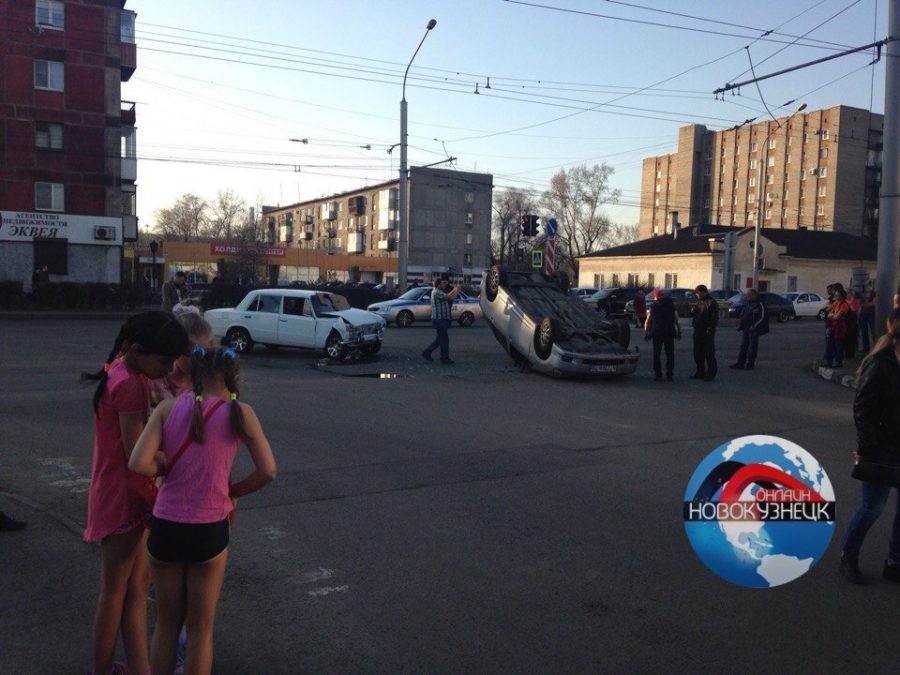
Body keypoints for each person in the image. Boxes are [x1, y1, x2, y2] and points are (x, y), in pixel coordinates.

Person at [129, 347, 276, 674]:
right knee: (199, 629)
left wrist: (165, 464)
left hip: (166, 526)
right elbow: (268, 471)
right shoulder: (241, 413)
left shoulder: (167, 408)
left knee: (166, 625)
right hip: (209, 527)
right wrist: (233, 491)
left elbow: (138, 462)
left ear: (195, 376)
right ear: (232, 376)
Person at [81, 312, 189, 675]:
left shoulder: (121, 369)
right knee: (115, 592)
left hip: (121, 493)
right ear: (140, 351)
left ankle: (139, 667)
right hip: (125, 496)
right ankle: (103, 668)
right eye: (163, 360)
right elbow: (135, 456)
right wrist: (182, 462)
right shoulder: (133, 385)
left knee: (135, 589)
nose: (168, 368)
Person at [839, 309, 900, 585]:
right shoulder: (879, 363)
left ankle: (894, 562)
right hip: (882, 449)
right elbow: (862, 409)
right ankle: (848, 557)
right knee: (872, 507)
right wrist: (868, 446)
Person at [644, 289, 680, 381]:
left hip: (657, 332)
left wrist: (646, 332)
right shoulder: (671, 305)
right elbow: (676, 319)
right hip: (669, 332)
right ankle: (669, 374)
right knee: (670, 354)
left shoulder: (653, 306)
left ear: (655, 297)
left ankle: (658, 374)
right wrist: (679, 331)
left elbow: (648, 321)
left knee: (657, 354)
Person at [422, 277, 460, 365]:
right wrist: (455, 289)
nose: (444, 285)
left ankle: (427, 352)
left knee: (440, 339)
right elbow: (449, 296)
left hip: (441, 319)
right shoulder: (436, 292)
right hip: (439, 319)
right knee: (444, 340)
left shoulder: (438, 292)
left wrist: (457, 290)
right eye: (443, 283)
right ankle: (444, 358)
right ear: (438, 285)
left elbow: (450, 298)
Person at [730, 289, 768, 370]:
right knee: (743, 346)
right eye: (747, 295)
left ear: (754, 295)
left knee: (752, 347)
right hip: (746, 328)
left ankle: (750, 364)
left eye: (749, 295)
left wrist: (754, 326)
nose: (747, 296)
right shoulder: (747, 303)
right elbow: (743, 315)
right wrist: (740, 325)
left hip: (754, 329)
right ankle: (740, 363)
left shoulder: (760, 304)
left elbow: (762, 317)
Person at [690, 284, 719, 381]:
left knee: (709, 354)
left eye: (697, 293)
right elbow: (695, 313)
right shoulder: (699, 302)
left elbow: (714, 318)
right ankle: (700, 372)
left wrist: (710, 330)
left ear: (702, 292)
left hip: (707, 332)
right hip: (697, 331)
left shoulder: (711, 302)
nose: (696, 295)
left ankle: (711, 374)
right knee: (697, 353)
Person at [823, 285, 849, 368]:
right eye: (835, 295)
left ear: (842, 296)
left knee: (839, 345)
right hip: (833, 327)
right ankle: (829, 361)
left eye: (837, 295)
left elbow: (836, 316)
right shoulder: (836, 303)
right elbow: (829, 314)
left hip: (840, 328)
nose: (835, 297)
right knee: (830, 345)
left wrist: (833, 314)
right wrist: (833, 314)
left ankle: (838, 362)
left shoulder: (844, 304)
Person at [859, 280, 877, 353]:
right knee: (864, 332)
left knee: (873, 331)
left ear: (870, 286)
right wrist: (866, 304)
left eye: (866, 286)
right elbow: (861, 304)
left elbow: (873, 304)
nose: (865, 288)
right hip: (863, 314)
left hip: (871, 314)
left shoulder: (873, 293)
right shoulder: (862, 293)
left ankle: (876, 348)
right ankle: (866, 348)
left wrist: (866, 304)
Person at [845, 289, 860, 360]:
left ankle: (851, 354)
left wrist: (850, 307)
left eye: (847, 293)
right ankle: (846, 354)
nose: (846, 295)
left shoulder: (856, 302)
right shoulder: (844, 302)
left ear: (850, 294)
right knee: (845, 339)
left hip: (853, 323)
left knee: (852, 339)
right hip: (845, 323)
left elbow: (858, 311)